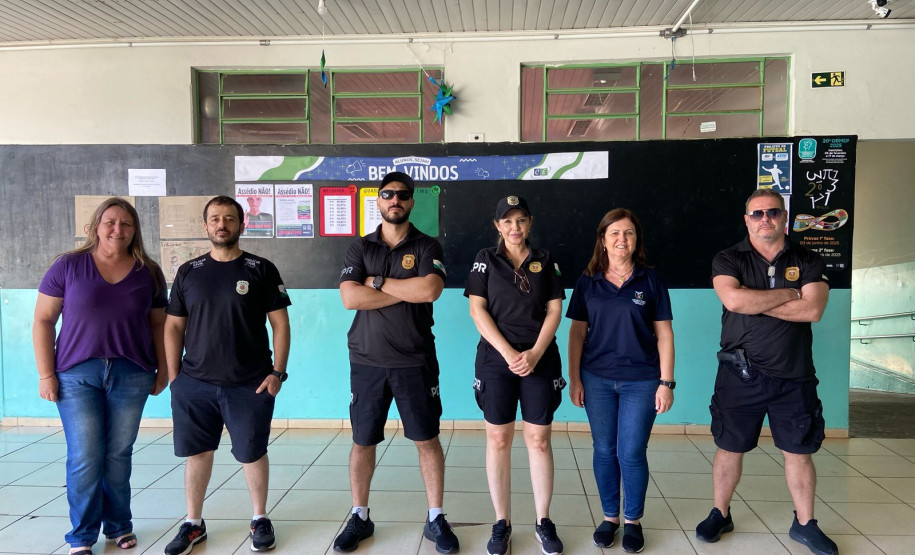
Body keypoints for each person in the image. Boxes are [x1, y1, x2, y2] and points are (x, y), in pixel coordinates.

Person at [696, 188, 836, 555]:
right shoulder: (728, 258)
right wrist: (790, 294)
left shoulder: (808, 258)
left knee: (798, 452)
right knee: (729, 448)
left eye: (772, 212)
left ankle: (805, 524)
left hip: (794, 376)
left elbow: (813, 311)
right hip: (739, 374)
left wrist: (754, 302)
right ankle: (720, 513)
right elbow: (733, 299)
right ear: (746, 220)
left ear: (784, 217)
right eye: (756, 214)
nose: (765, 219)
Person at [33, 197, 168, 555]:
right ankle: (81, 536)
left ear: (135, 230)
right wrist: (46, 374)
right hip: (77, 374)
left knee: (118, 455)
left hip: (132, 372)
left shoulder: (149, 272)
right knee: (85, 455)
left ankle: (119, 526)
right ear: (95, 226)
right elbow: (43, 321)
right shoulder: (68, 266)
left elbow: (159, 325)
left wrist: (165, 369)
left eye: (126, 224)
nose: (117, 230)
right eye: (110, 222)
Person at [336, 171, 458, 554]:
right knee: (362, 441)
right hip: (367, 360)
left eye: (402, 195)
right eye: (388, 194)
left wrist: (376, 282)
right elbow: (349, 299)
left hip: (415, 361)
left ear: (411, 201)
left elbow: (430, 289)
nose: (395, 200)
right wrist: (404, 290)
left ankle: (436, 516)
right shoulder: (360, 247)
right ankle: (359, 515)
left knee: (426, 440)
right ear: (378, 200)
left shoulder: (426, 245)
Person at [163, 195, 291, 555]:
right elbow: (173, 327)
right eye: (215, 219)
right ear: (206, 226)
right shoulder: (189, 271)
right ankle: (193, 523)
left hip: (249, 384)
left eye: (230, 219)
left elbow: (280, 324)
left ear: (241, 224)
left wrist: (277, 373)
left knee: (251, 453)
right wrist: (176, 378)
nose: (222, 224)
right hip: (195, 384)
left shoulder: (261, 269)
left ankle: (260, 518)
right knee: (198, 452)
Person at [566, 208, 675, 553]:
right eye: (614, 233)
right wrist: (574, 379)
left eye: (628, 233)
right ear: (602, 239)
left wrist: (666, 382)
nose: (621, 239)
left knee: (630, 452)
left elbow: (665, 335)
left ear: (636, 240)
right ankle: (610, 516)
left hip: (641, 381)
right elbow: (576, 334)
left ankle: (632, 521)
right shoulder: (588, 281)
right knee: (604, 449)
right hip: (595, 379)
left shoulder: (651, 280)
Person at [464, 195, 566, 555]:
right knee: (499, 439)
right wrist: (509, 354)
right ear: (497, 226)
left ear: (530, 223)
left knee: (538, 440)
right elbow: (477, 310)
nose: (515, 227)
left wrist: (535, 353)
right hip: (497, 360)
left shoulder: (546, 260)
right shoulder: (485, 261)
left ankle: (542, 520)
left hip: (540, 358)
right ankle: (501, 522)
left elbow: (555, 311)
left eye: (521, 220)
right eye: (507, 221)